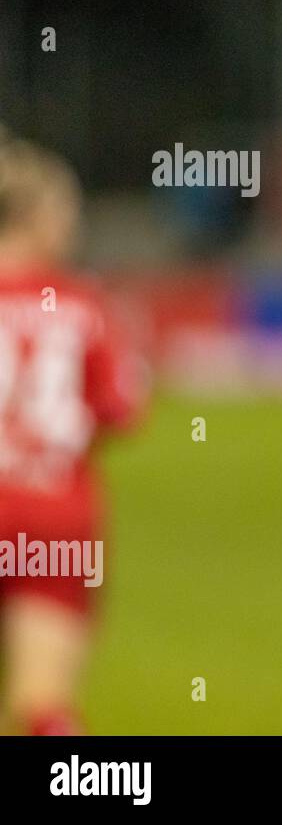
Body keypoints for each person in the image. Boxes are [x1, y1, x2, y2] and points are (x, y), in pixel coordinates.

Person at [0, 135, 145, 735]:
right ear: (30, 219)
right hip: (56, 516)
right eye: (65, 212)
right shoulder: (85, 304)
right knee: (44, 707)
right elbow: (121, 409)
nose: (74, 226)